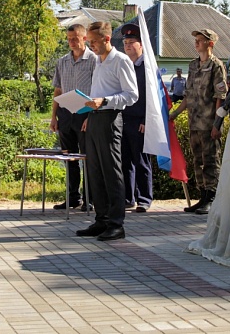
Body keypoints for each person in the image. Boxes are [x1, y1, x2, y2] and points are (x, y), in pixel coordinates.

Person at [76, 21, 138, 241]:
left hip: (111, 118)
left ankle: (116, 224)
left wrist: (105, 101)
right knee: (95, 172)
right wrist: (89, 115)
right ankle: (101, 220)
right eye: (89, 42)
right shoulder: (99, 61)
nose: (91, 46)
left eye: (93, 41)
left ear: (107, 39)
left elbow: (132, 95)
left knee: (112, 172)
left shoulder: (120, 61)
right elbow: (97, 91)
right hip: (94, 119)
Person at [169, 28, 227, 215]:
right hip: (194, 122)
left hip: (209, 122)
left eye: (200, 40)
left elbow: (220, 96)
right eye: (196, 40)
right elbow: (188, 95)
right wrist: (175, 113)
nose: (196, 43)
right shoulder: (193, 65)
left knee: (210, 160)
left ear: (210, 43)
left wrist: (217, 123)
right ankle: (202, 197)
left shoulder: (216, 66)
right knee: (197, 161)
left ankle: (211, 198)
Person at [49, 24, 96, 211]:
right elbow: (58, 89)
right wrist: (53, 117)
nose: (72, 42)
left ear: (84, 38)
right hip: (66, 114)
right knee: (69, 158)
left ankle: (89, 199)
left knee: (87, 157)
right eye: (69, 38)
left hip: (85, 114)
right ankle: (72, 197)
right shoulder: (62, 61)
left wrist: (90, 117)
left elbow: (98, 90)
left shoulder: (94, 60)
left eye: (75, 38)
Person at [120, 24, 154, 213]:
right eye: (125, 43)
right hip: (123, 119)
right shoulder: (124, 65)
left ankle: (144, 198)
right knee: (125, 161)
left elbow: (152, 97)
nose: (128, 46)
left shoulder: (147, 68)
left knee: (141, 161)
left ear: (141, 45)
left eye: (132, 42)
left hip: (140, 120)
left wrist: (147, 121)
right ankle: (128, 197)